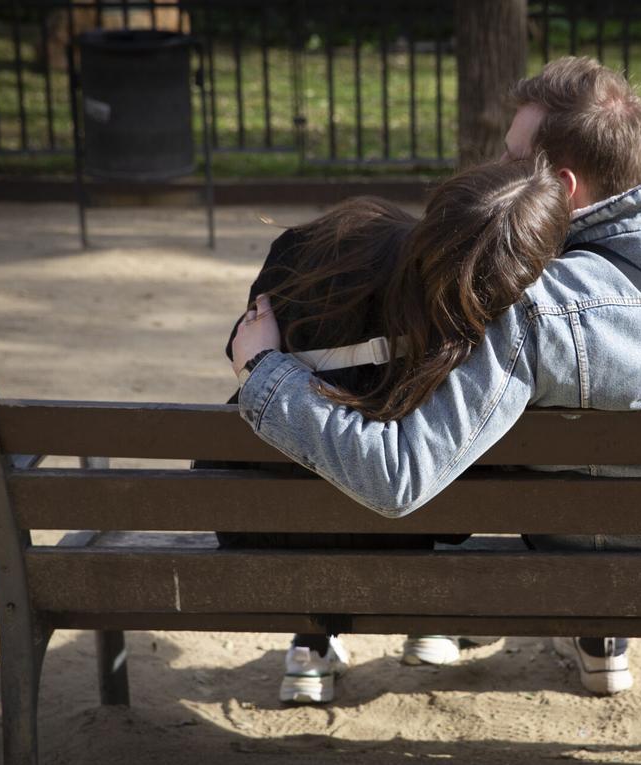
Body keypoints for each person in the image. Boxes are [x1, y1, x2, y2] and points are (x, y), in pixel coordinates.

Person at [231, 56, 641, 699]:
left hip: (599, 558)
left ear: (561, 183)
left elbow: (400, 478)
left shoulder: (534, 304)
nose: (498, 170)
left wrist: (264, 371)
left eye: (510, 158)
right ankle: (599, 641)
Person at [224, 157, 570, 703]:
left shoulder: (325, 242)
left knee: (306, 472)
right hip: (414, 536)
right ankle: (429, 620)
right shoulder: (500, 316)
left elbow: (239, 348)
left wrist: (267, 362)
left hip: (272, 523)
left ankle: (311, 644)